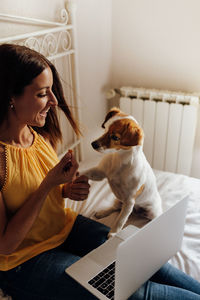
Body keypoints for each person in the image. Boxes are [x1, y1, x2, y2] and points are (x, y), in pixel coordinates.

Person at [0, 44, 199, 300]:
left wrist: (66, 189)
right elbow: (5, 244)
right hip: (25, 260)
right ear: (10, 97)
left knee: (148, 260)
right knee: (134, 293)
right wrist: (49, 185)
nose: (54, 100)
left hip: (66, 228)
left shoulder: (36, 134)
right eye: (42, 93)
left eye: (52, 91)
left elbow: (42, 192)